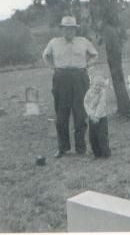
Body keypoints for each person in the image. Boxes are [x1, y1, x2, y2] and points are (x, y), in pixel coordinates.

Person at [42, 16, 98, 158]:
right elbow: (45, 55)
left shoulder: (83, 41)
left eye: (72, 28)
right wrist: (53, 68)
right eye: (66, 28)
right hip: (61, 78)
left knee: (80, 114)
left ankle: (81, 148)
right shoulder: (54, 42)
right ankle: (63, 148)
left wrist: (87, 65)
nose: (69, 31)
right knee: (61, 115)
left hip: (80, 77)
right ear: (62, 29)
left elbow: (94, 54)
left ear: (75, 29)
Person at [84, 75, 111, 159]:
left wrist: (97, 116)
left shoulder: (102, 92)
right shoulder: (89, 92)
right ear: (92, 84)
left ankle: (105, 153)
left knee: (102, 136)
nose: (97, 87)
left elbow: (101, 105)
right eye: (96, 85)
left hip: (101, 117)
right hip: (92, 118)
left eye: (100, 85)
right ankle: (97, 154)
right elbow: (86, 103)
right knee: (92, 137)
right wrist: (90, 114)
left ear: (102, 86)